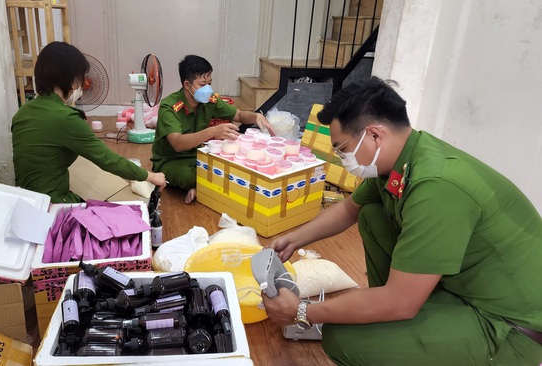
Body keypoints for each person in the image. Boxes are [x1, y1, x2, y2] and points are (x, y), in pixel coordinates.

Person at [263, 77, 542, 365]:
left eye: (341, 149)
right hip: (463, 290)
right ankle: (392, 322)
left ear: (373, 135)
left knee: (343, 340)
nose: (341, 157)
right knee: (372, 214)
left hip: (508, 327)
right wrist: (293, 239)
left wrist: (301, 312)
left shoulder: (436, 187)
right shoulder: (403, 159)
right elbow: (349, 209)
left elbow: (401, 302)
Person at [12, 41, 166, 203]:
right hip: (52, 203)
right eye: (80, 79)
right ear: (71, 80)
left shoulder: (22, 112)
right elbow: (108, 160)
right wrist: (150, 176)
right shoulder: (66, 118)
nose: (81, 86)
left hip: (23, 199)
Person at [151, 55, 275, 204]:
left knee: (232, 164)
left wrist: (256, 116)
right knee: (190, 176)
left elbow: (239, 115)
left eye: (209, 83)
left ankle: (200, 188)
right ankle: (199, 185)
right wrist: (212, 131)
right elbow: (178, 143)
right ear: (187, 85)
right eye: (202, 84)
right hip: (171, 159)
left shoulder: (209, 101)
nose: (208, 89)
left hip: (199, 153)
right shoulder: (169, 107)